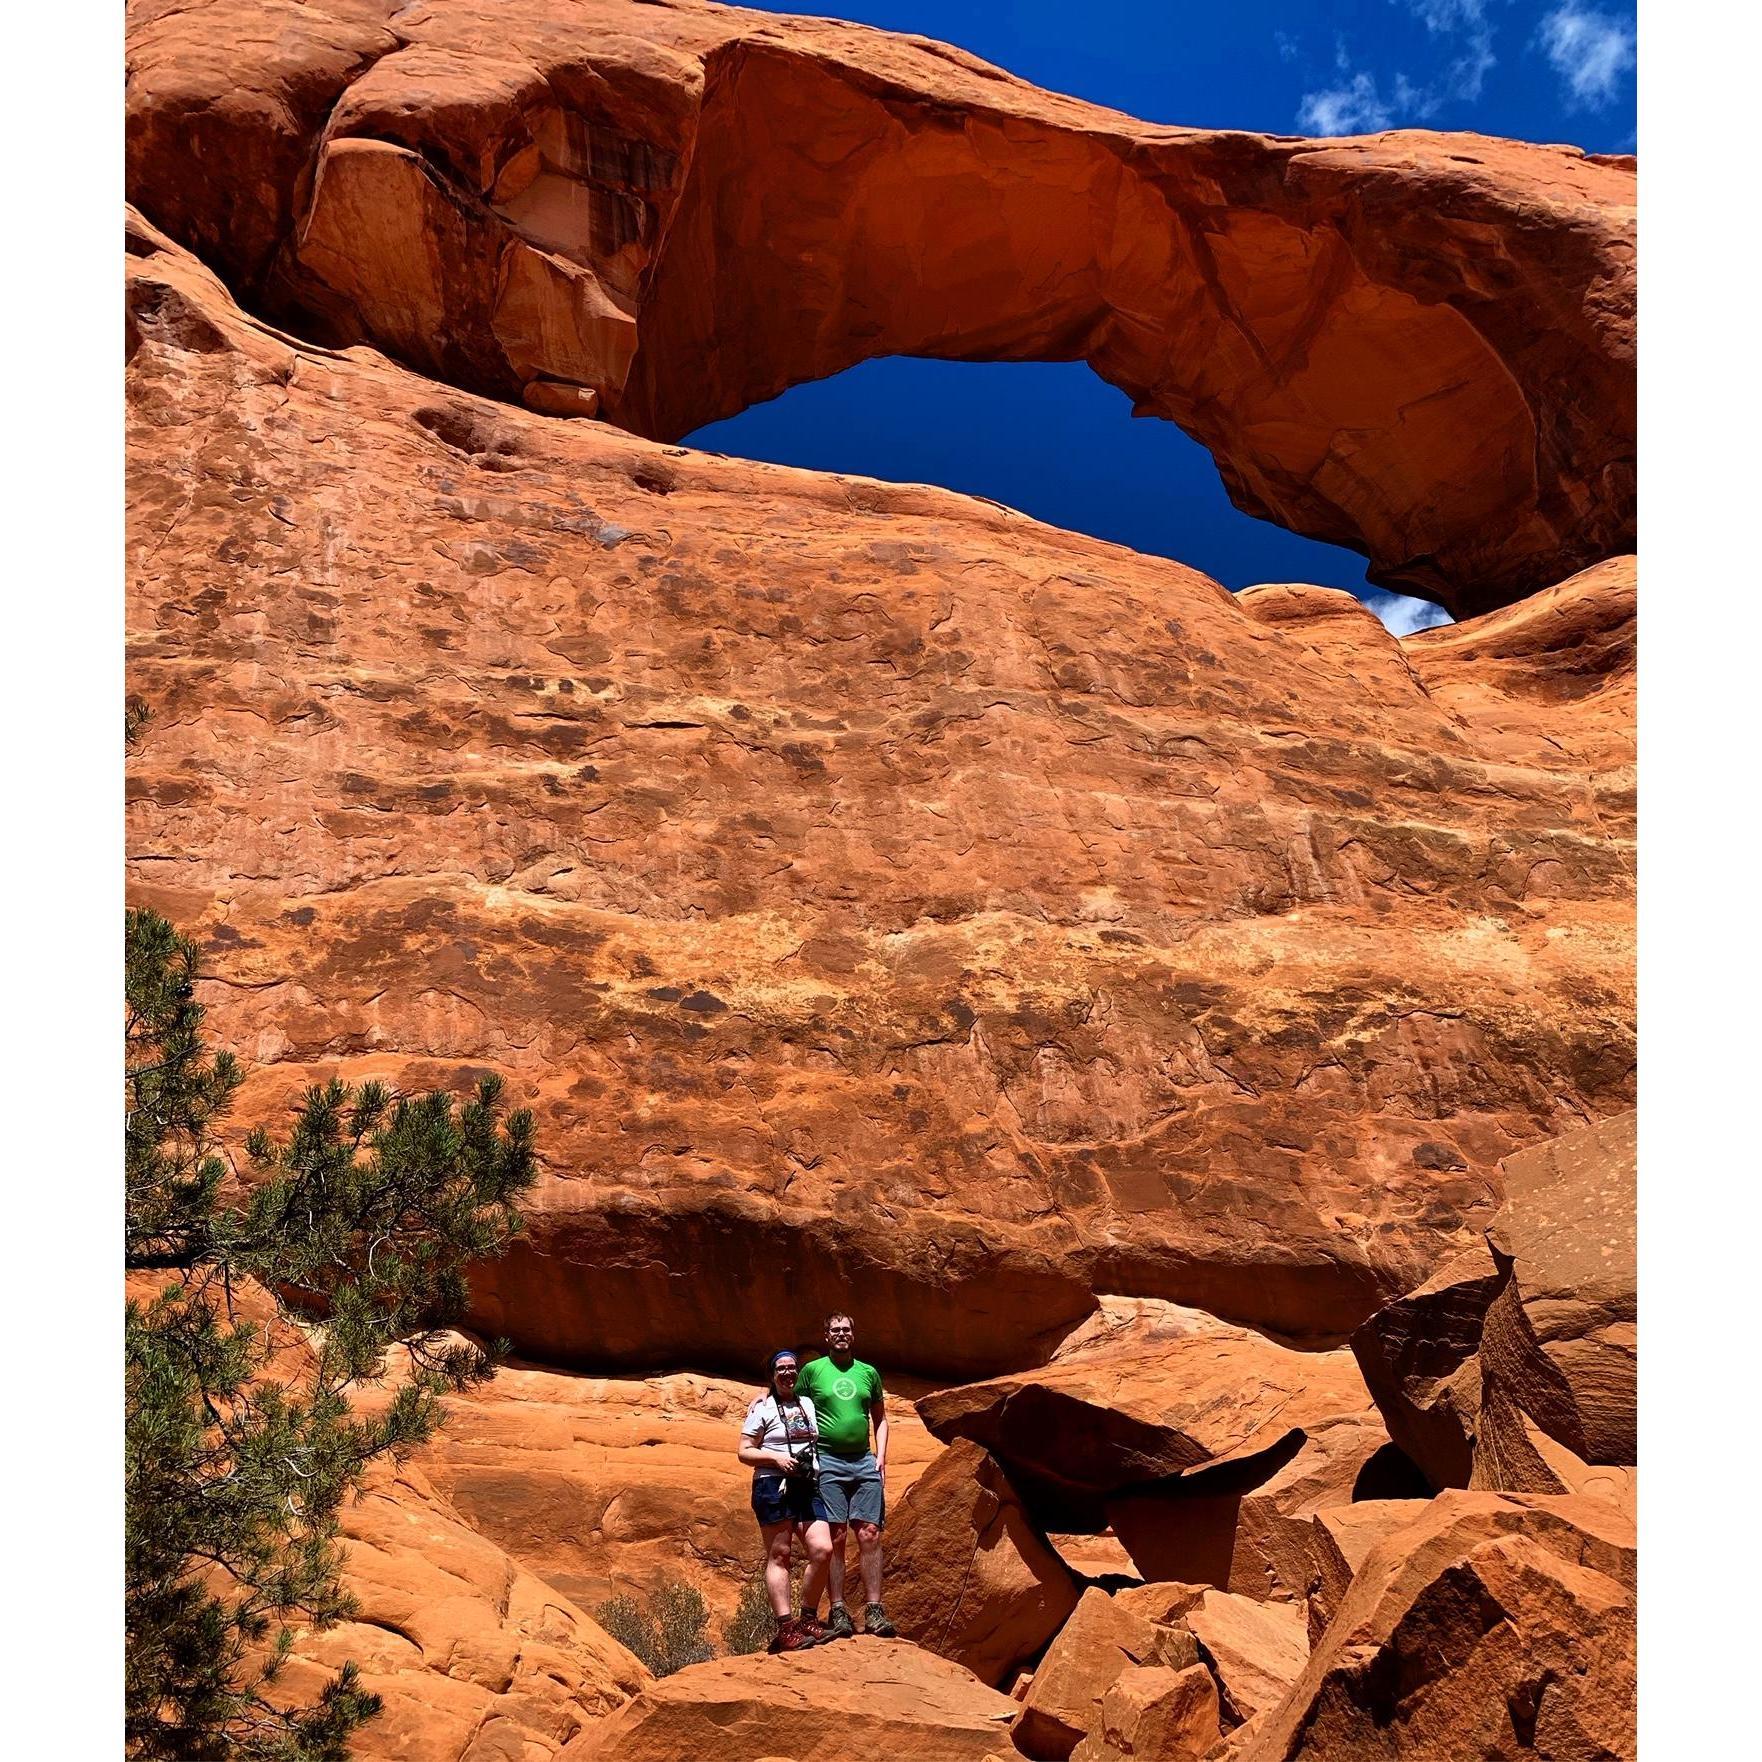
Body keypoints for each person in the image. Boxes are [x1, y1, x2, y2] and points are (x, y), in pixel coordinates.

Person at [795, 1312, 897, 1639]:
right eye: (835, 1330)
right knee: (836, 1535)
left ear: (853, 1334)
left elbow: (880, 1419)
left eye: (846, 1329)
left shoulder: (868, 1373)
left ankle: (874, 1611)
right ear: (826, 1336)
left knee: (869, 1533)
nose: (841, 1334)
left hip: (864, 1461)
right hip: (828, 1462)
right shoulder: (813, 1371)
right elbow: (794, 1407)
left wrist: (881, 1457)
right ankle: (838, 1609)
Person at [737, 1348, 836, 1653]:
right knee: (780, 1555)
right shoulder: (763, 1409)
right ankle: (786, 1628)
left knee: (823, 1549)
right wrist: (776, 1458)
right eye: (781, 1368)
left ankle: (808, 1619)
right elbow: (744, 1451)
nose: (788, 1373)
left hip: (806, 1484)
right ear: (772, 1374)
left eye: (792, 1368)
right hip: (772, 1484)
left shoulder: (806, 1402)